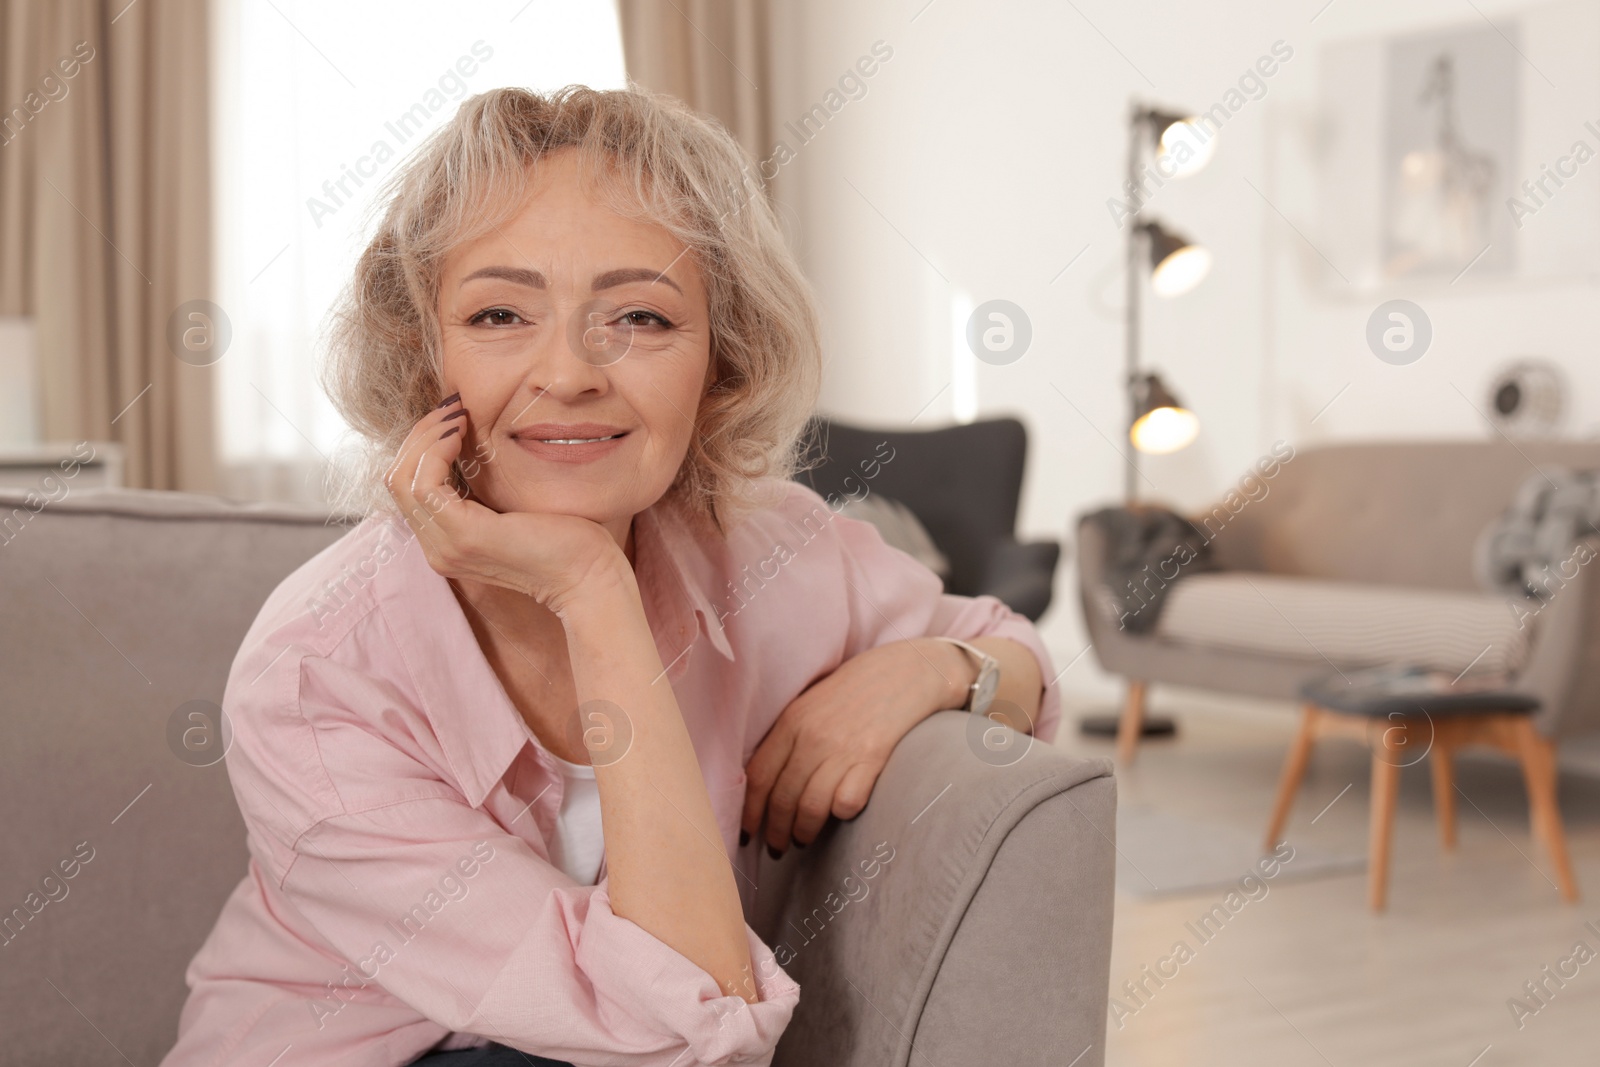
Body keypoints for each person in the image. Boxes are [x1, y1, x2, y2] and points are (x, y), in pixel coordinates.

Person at [161, 84, 1059, 1067]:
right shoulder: (315, 671)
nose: (571, 371)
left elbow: (1018, 661)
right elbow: (681, 1016)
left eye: (638, 316)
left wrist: (933, 666)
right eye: (500, 312)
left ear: (723, 360)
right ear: (428, 357)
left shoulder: (775, 550)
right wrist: (592, 589)